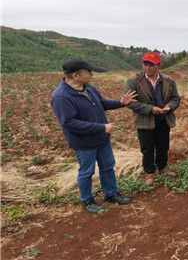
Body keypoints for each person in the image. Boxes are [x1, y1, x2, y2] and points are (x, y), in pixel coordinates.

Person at [51, 59, 137, 213]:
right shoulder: (61, 97)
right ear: (76, 75)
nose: (91, 75)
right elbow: (70, 123)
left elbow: (102, 103)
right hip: (83, 142)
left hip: (101, 138)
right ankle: (87, 201)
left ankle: (111, 194)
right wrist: (102, 127)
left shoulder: (88, 88)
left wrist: (121, 103)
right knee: (87, 172)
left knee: (107, 167)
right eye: (88, 72)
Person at [126, 52, 180, 185]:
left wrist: (169, 106)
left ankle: (163, 168)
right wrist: (150, 109)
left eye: (151, 65)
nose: (148, 68)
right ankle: (149, 172)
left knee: (163, 145)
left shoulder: (168, 81)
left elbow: (175, 98)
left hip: (163, 119)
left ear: (158, 66)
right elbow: (130, 102)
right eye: (145, 64)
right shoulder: (134, 82)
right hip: (145, 120)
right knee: (147, 148)